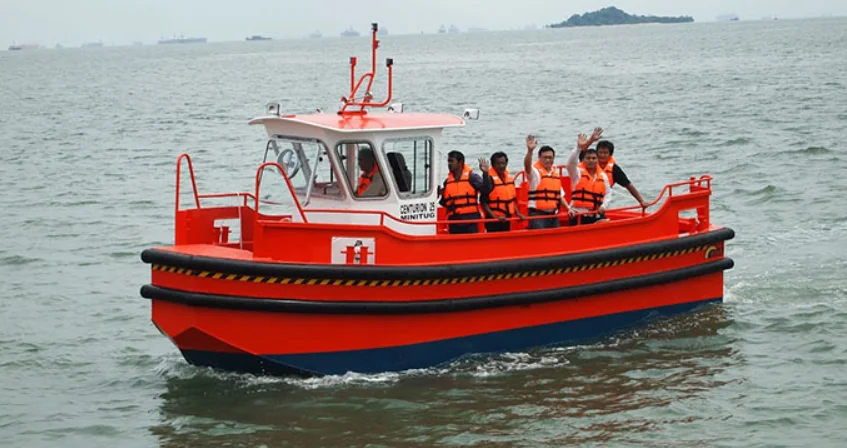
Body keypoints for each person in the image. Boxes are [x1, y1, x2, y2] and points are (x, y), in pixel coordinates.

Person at [523, 135, 571, 229]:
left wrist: (568, 208)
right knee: (538, 240)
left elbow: (560, 195)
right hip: (538, 214)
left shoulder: (555, 173)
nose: (548, 160)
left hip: (553, 214)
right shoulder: (535, 173)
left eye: (550, 157)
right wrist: (530, 151)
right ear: (539, 158)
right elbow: (527, 167)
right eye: (545, 157)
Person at [567, 133, 612, 225]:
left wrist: (604, 206)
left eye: (593, 158)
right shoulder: (577, 173)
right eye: (588, 158)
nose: (591, 160)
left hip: (596, 214)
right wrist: (578, 148)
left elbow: (608, 193)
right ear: (583, 160)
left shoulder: (603, 176)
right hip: (579, 214)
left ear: (597, 160)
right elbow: (570, 163)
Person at [439, 150, 485, 234]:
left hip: (470, 220)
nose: (449, 164)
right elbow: (444, 202)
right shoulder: (447, 182)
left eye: (452, 161)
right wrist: (439, 193)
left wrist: (485, 174)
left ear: (460, 162)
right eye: (448, 161)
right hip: (454, 221)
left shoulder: (472, 177)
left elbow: (486, 190)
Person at [479, 152, 526, 232]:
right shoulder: (489, 180)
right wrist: (495, 218)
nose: (501, 166)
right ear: (493, 165)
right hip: (493, 220)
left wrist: (518, 213)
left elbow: (512, 200)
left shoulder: (509, 180)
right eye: (498, 164)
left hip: (507, 219)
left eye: (503, 163)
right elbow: (483, 203)